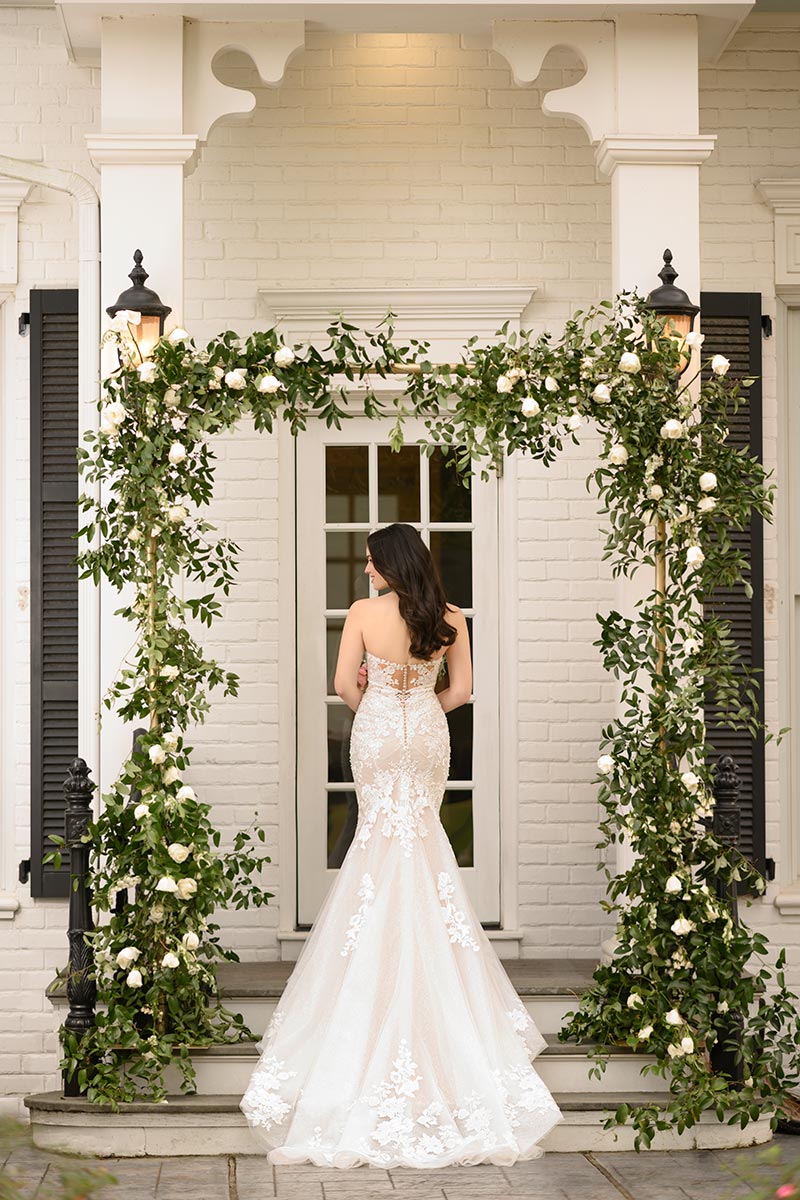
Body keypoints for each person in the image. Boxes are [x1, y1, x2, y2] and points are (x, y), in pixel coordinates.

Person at [240, 522, 563, 1167]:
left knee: (378, 846)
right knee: (422, 845)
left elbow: (344, 686)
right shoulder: (449, 616)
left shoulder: (362, 613)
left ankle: (376, 979)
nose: (363, 570)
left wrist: (381, 704)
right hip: (427, 740)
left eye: (369, 560)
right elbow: (462, 692)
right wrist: (422, 707)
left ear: (389, 562)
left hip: (381, 734)